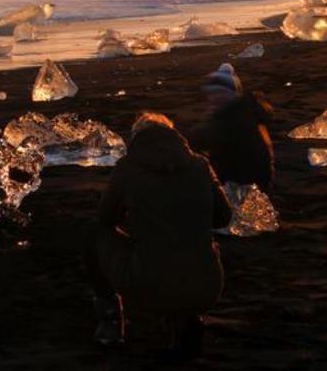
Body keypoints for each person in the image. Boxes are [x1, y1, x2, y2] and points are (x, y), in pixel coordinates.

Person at [86, 112, 232, 357]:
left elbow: (105, 218)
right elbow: (223, 217)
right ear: (174, 136)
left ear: (137, 139)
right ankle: (186, 317)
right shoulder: (199, 165)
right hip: (208, 286)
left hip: (149, 284)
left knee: (95, 237)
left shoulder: (128, 168)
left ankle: (110, 321)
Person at [189, 63, 274, 191]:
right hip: (252, 179)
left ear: (231, 94)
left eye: (218, 93)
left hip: (244, 184)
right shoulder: (244, 112)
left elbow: (202, 137)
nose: (213, 98)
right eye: (211, 94)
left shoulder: (235, 118)